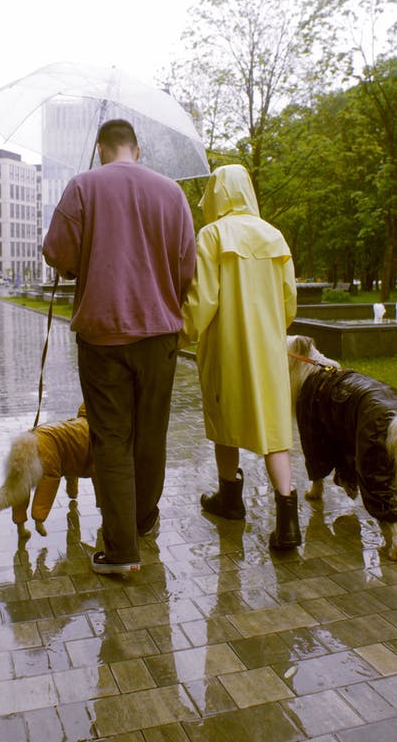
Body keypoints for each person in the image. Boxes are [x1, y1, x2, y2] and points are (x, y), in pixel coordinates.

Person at [42, 119, 196, 573]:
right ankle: (143, 521)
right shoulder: (172, 193)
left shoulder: (82, 187)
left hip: (103, 334)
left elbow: (57, 252)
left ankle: (121, 548)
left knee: (111, 439)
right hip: (160, 335)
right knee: (150, 435)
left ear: (100, 149)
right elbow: (187, 266)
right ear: (137, 149)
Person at [181, 164, 301, 549]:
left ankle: (230, 500)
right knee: (274, 427)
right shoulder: (274, 236)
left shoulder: (212, 235)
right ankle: (288, 520)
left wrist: (181, 335)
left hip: (226, 346)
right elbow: (289, 301)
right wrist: (270, 330)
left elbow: (203, 300)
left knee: (224, 418)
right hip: (268, 348)